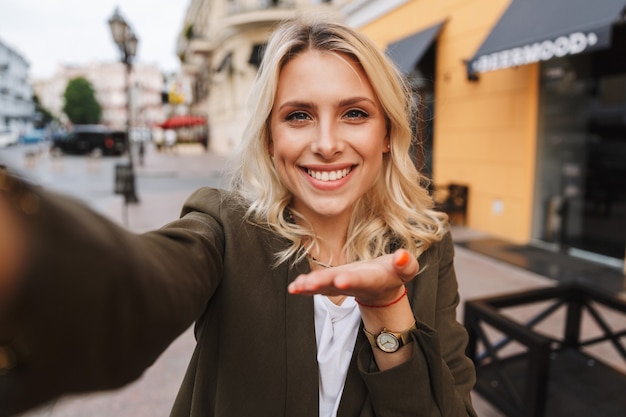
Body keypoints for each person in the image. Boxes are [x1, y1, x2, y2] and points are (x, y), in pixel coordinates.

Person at [0, 16, 477, 417]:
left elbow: (449, 406)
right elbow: (139, 286)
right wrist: (25, 249)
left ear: (386, 131)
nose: (327, 143)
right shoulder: (226, 227)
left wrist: (388, 312)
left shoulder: (427, 244)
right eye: (298, 115)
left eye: (354, 113)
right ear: (270, 137)